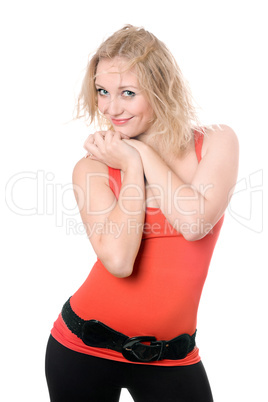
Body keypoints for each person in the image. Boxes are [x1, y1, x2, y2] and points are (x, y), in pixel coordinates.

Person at [45, 25, 239, 402]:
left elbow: (195, 222)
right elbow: (118, 261)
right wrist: (131, 168)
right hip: (82, 348)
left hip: (173, 357)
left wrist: (139, 153)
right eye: (103, 91)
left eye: (128, 93)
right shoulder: (92, 169)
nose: (111, 108)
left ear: (161, 89)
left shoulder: (216, 141)